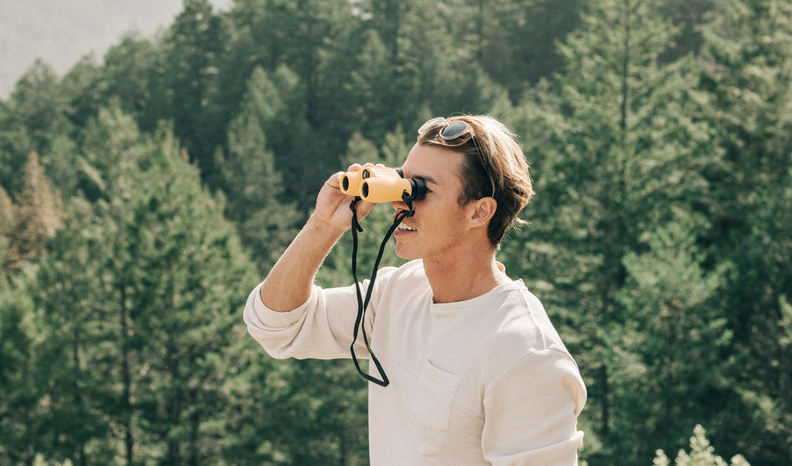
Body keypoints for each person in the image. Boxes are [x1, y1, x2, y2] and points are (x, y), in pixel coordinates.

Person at [243, 115, 586, 465]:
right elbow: (277, 327)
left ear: (479, 212)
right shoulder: (401, 292)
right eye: (402, 184)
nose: (400, 203)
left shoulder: (525, 352)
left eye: (421, 190)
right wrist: (323, 225)